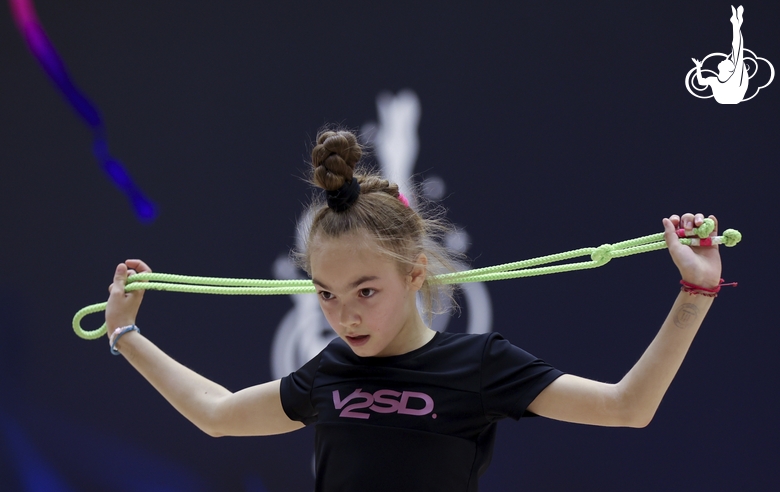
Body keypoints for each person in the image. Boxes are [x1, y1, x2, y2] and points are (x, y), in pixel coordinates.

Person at [105, 130, 723, 492]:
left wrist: (695, 294)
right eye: (326, 294)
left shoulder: (480, 364)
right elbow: (217, 414)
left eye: (366, 292)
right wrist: (126, 333)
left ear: (414, 271)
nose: (344, 316)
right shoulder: (328, 373)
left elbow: (627, 408)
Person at [692, 5, 748, 104]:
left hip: (732, 95)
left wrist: (698, 68)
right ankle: (736, 24)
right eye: (728, 61)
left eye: (727, 61)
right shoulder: (716, 79)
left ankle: (736, 24)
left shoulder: (722, 79)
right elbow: (701, 82)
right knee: (737, 52)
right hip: (731, 96)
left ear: (729, 69)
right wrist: (698, 67)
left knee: (737, 51)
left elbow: (738, 49)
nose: (724, 59)